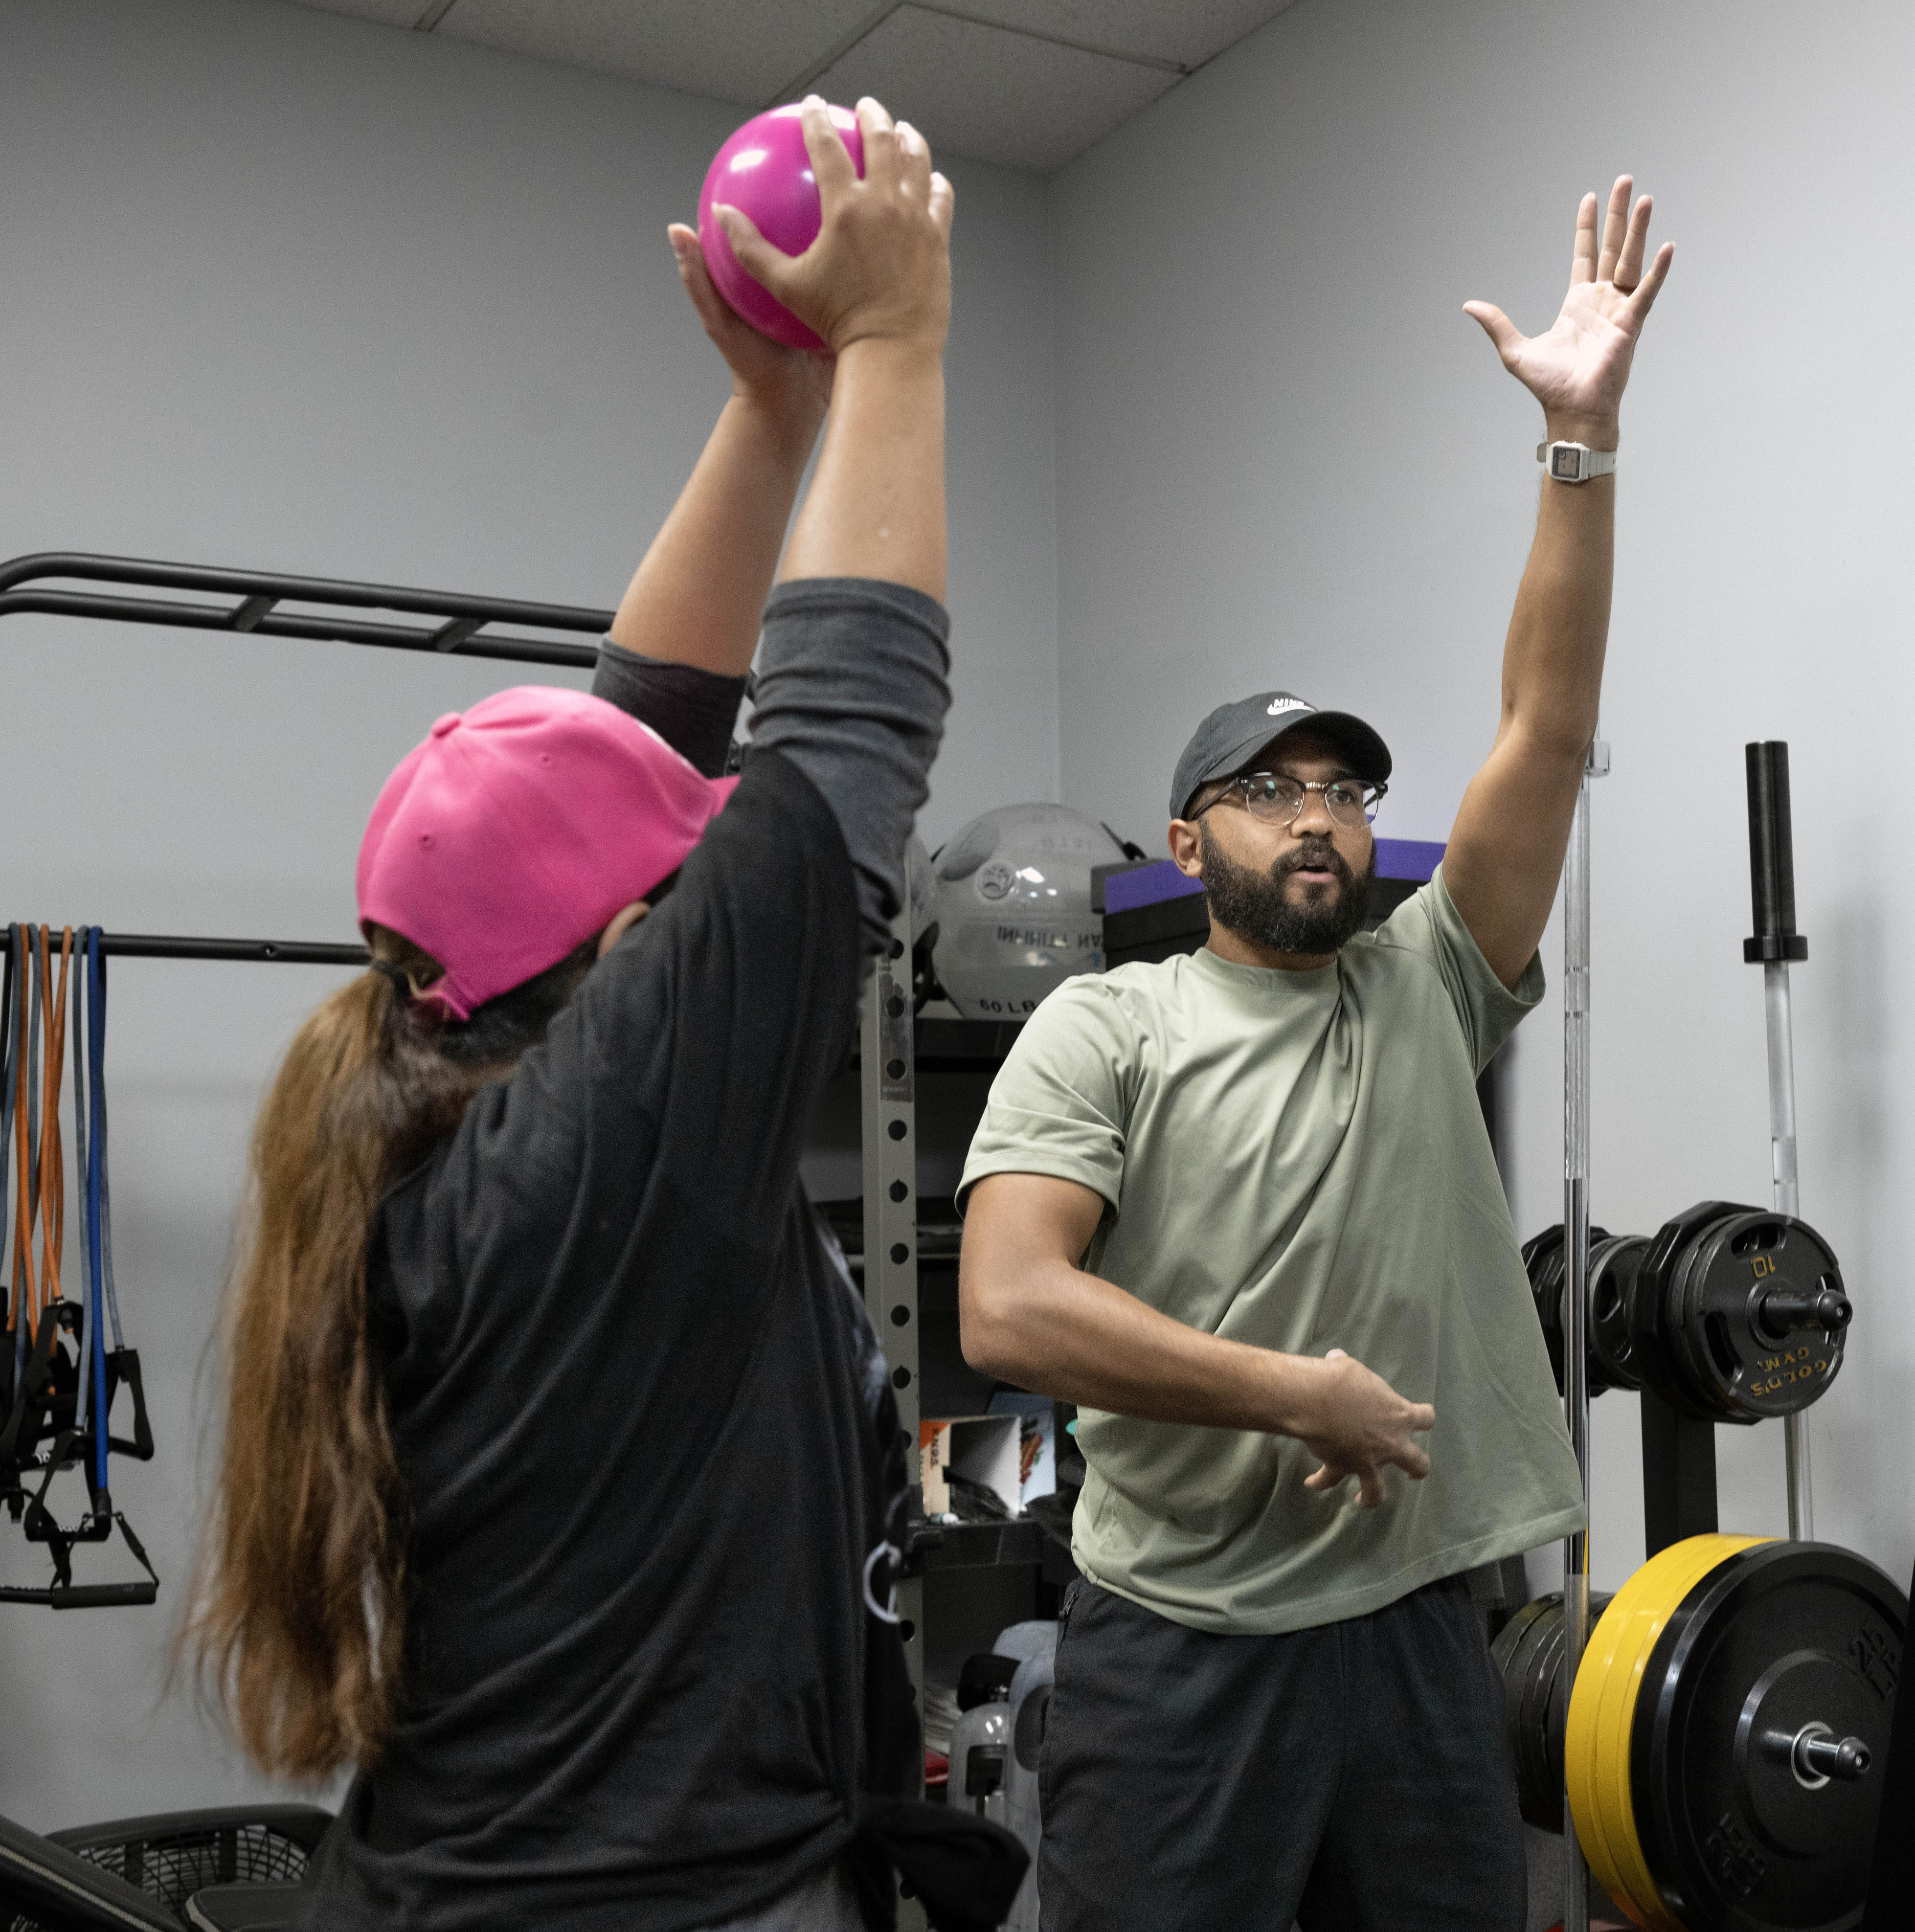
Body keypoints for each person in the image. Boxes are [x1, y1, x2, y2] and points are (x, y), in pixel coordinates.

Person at [187, 96, 970, 1932]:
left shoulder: (458, 1091)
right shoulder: (617, 1135)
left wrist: (773, 414)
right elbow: (847, 729)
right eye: (682, 886)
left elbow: (635, 737)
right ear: (638, 942)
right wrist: (893, 339)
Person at [957, 179, 1673, 1931]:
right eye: (1272, 791)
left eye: (1346, 789)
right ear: (1188, 842)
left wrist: (1579, 445)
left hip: (1422, 1635)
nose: (1321, 820)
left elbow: (1547, 727)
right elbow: (1008, 1312)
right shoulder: (1104, 1023)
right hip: (1181, 1651)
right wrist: (1298, 1393)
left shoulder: (1431, 978)